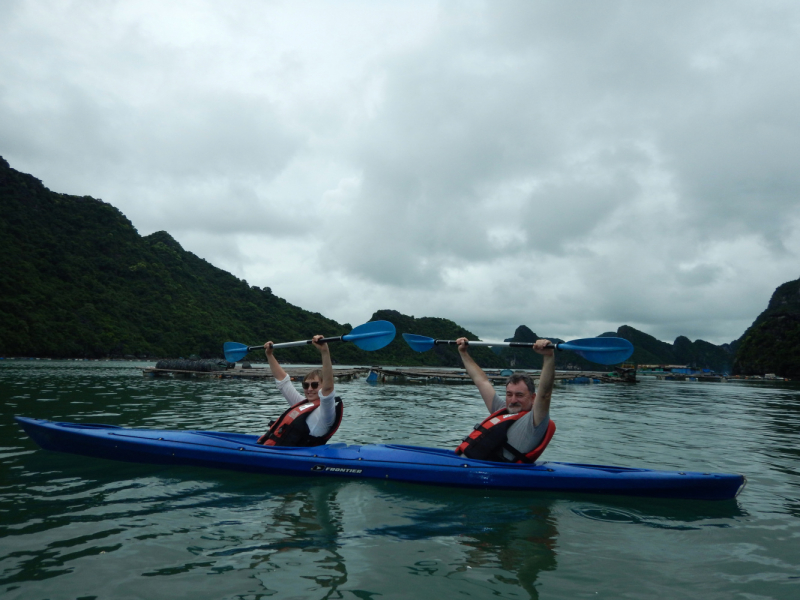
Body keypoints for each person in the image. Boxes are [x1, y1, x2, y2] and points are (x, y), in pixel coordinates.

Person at [454, 337, 556, 463]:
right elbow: (481, 381)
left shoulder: (535, 422)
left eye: (519, 395)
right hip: (463, 463)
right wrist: (463, 353)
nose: (513, 400)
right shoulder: (503, 409)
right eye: (509, 394)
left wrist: (548, 356)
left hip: (484, 474)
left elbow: (545, 394)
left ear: (533, 398)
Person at [257, 335, 343, 446]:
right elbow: (283, 381)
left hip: (296, 457)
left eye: (315, 385)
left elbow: (328, 388)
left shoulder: (326, 413)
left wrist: (324, 351)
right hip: (277, 451)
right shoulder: (302, 404)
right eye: (306, 385)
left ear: (322, 387)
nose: (310, 389)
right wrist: (269, 355)